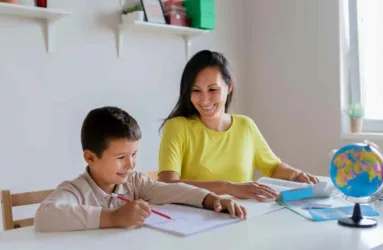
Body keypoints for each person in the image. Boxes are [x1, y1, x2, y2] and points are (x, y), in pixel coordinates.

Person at [34, 106, 246, 232]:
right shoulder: (76, 190)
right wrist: (114, 218)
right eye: (121, 157)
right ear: (90, 157)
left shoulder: (134, 182)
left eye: (134, 154)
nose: (130, 164)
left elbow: (172, 190)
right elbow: (44, 215)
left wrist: (211, 199)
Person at [158, 50, 319, 202]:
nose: (204, 99)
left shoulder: (245, 125)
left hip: (241, 216)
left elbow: (272, 167)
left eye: (213, 89)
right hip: (195, 219)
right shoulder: (177, 127)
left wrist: (296, 175)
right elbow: (167, 185)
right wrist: (228, 187)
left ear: (228, 87)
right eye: (196, 90)